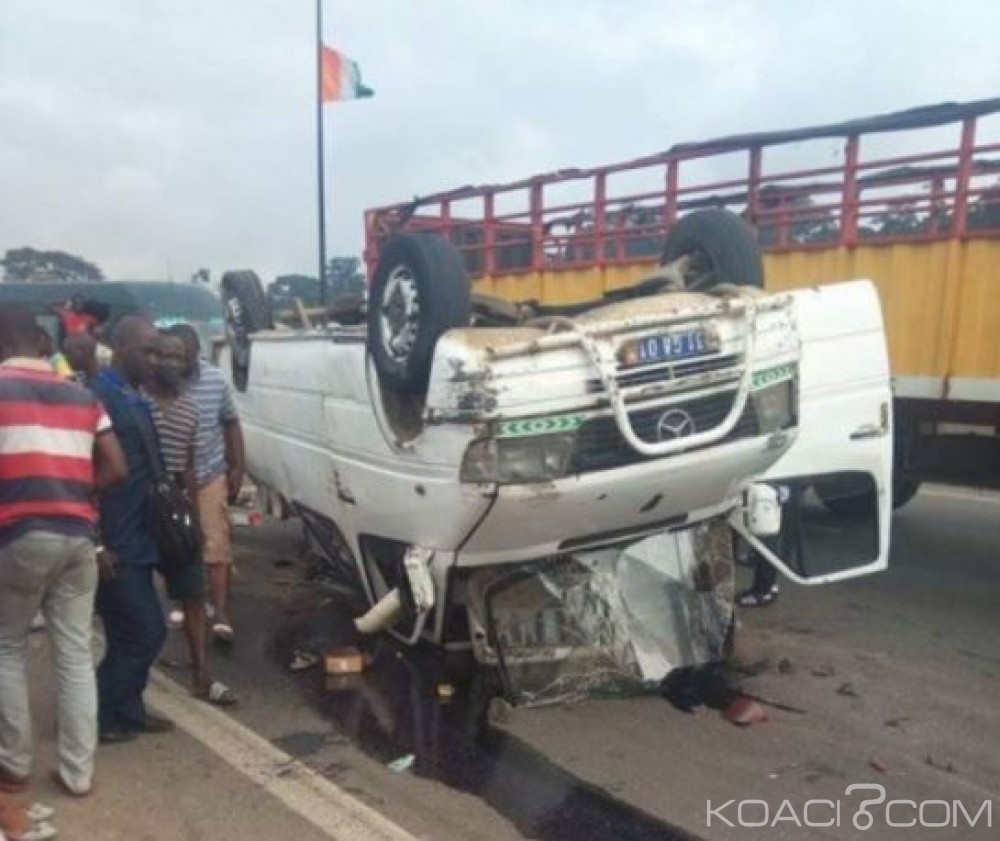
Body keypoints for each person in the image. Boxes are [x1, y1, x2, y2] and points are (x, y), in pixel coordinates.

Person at [0, 305, 127, 799]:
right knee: (74, 651)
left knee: (6, 645)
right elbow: (117, 467)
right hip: (78, 535)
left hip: (19, 535)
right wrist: (74, 492)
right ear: (39, 342)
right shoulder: (82, 395)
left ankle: (13, 763)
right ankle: (78, 773)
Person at [88, 316, 173, 743]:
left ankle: (129, 710)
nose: (155, 360)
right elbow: (85, 476)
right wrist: (97, 543)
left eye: (159, 351)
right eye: (148, 352)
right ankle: (96, 717)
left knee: (128, 634)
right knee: (146, 631)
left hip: (140, 535)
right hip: (116, 539)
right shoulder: (98, 397)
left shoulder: (132, 395)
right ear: (121, 350)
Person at [146, 332, 236, 705]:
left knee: (194, 591)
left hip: (177, 509)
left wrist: (193, 524)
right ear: (152, 357)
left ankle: (202, 675)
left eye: (178, 356)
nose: (171, 362)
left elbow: (189, 468)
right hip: (141, 507)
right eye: (164, 354)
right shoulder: (137, 404)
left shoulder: (190, 411)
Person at [168, 324, 245, 646]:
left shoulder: (214, 380)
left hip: (209, 474)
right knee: (179, 545)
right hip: (172, 481)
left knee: (215, 545)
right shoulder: (159, 383)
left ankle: (221, 612)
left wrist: (238, 465)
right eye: (173, 356)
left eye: (184, 356)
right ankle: (188, 604)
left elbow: (230, 422)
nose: (178, 363)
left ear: (196, 352)